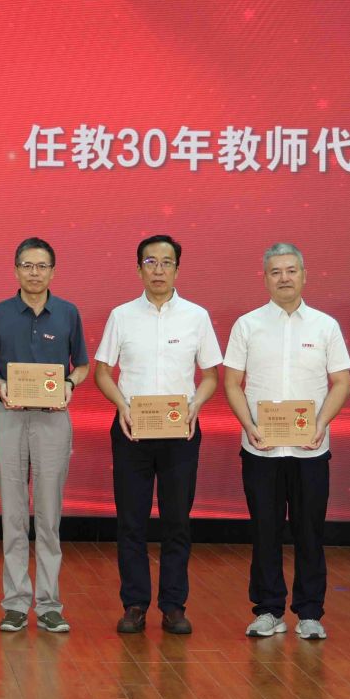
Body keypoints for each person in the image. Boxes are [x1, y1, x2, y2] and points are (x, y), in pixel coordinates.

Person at [221, 243, 350, 641]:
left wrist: (321, 424)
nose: (284, 278)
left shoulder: (325, 326)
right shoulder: (247, 325)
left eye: (291, 270)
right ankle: (268, 610)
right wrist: (249, 426)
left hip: (310, 448)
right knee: (265, 530)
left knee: (310, 531)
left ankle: (310, 612)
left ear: (304, 275)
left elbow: (341, 382)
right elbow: (232, 382)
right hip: (260, 447)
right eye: (276, 271)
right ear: (265, 278)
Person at [92, 234, 222, 635]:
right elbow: (102, 372)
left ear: (178, 270)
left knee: (176, 522)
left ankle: (173, 606)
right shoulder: (121, 316)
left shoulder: (197, 316)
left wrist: (196, 405)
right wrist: (122, 405)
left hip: (180, 432)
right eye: (151, 262)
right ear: (139, 269)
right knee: (131, 522)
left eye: (167, 262)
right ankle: (134, 604)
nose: (159, 270)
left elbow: (211, 376)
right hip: (132, 431)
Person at [0, 237, 90, 634]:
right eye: (27, 265)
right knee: (13, 513)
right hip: (9, 416)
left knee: (49, 515)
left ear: (53, 272)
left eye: (41, 266)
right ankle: (16, 603)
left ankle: (50, 604)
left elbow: (82, 365)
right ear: (16, 270)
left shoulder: (68, 313)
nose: (34, 273)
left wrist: (70, 383)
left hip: (53, 420)